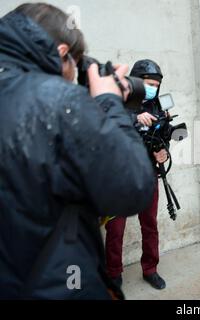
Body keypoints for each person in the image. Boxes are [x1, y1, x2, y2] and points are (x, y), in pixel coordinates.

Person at [0, 3, 155, 299]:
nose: (74, 76)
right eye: (76, 64)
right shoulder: (59, 100)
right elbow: (133, 188)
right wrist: (110, 103)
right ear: (61, 53)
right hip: (56, 285)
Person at [105, 59, 168, 291]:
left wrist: (163, 152)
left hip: (148, 174)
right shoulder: (118, 100)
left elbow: (162, 138)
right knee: (115, 228)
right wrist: (134, 118)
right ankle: (113, 273)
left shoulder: (156, 105)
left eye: (156, 84)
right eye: (148, 83)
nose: (153, 88)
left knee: (150, 224)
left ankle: (150, 269)